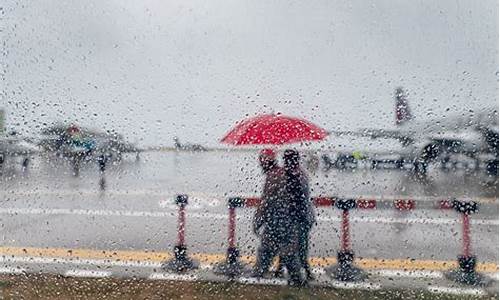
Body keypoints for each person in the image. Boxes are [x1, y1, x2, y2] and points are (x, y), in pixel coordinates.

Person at [252, 149, 304, 286]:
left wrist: (257, 221)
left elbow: (266, 201)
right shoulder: (290, 173)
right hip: (291, 219)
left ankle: (257, 275)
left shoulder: (274, 176)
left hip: (276, 220)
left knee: (267, 250)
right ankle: (297, 278)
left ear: (266, 162)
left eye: (261, 161)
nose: (260, 164)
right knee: (289, 251)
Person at [281, 149, 315, 280]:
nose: (284, 162)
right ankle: (304, 271)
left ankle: (302, 273)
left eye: (285, 160)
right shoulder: (301, 174)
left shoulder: (295, 176)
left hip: (298, 217)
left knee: (295, 245)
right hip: (304, 216)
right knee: (299, 245)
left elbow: (297, 199)